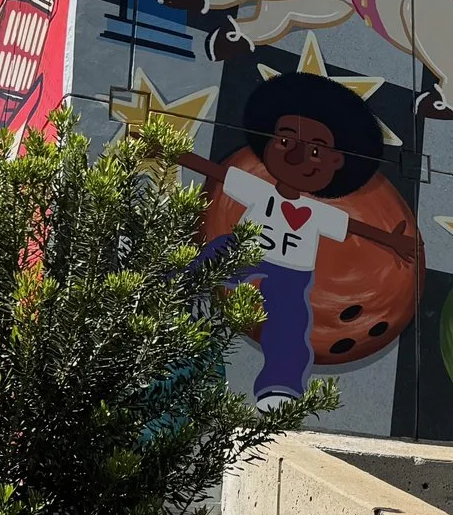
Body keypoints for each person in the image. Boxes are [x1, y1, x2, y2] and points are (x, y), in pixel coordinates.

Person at [174, 69, 419, 401]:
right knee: (208, 259)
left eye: (316, 151)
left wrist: (392, 240)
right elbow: (214, 171)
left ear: (336, 162)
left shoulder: (318, 212)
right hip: (244, 250)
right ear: (269, 140)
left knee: (289, 327)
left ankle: (280, 388)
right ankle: (166, 294)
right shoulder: (256, 188)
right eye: (286, 141)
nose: (295, 157)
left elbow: (354, 229)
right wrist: (169, 150)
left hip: (291, 275)